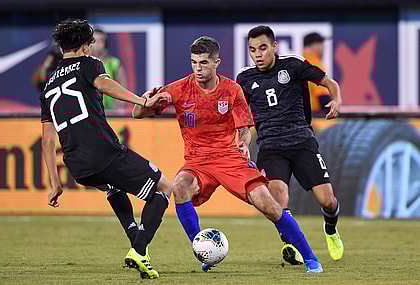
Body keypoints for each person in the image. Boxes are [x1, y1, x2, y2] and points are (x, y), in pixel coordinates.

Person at [133, 36, 323, 273]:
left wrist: (243, 144)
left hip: (230, 159)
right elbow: (137, 114)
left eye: (203, 63)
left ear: (216, 63)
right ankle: (202, 251)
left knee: (270, 206)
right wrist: (144, 101)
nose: (198, 69)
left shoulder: (232, 90)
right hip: (198, 162)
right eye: (193, 63)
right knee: (179, 187)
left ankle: (310, 257)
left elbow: (244, 129)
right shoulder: (179, 89)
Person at [40, 18, 172, 279]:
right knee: (164, 187)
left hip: (77, 164)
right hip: (103, 152)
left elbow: (47, 140)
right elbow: (105, 85)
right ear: (84, 45)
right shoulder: (89, 64)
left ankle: (135, 238)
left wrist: (55, 183)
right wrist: (142, 100)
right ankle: (139, 249)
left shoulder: (47, 87)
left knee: (113, 186)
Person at [236, 25, 344, 266]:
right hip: (270, 145)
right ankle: (290, 243)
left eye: (263, 48)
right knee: (277, 197)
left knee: (327, 200)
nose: (258, 55)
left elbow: (329, 82)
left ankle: (330, 229)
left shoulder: (293, 64)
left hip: (302, 141)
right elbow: (243, 119)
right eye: (252, 50)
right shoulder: (244, 78)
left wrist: (337, 100)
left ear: (274, 46)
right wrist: (243, 141)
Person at [90, 28, 128, 111]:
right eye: (95, 41)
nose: (98, 44)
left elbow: (123, 86)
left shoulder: (114, 63)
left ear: (106, 44)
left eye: (101, 41)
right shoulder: (84, 64)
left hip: (110, 111)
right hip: (91, 110)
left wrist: (119, 106)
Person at [303, 32, 332, 112]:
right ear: (315, 46)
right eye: (321, 44)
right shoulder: (314, 63)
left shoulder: (299, 61)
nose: (323, 47)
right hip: (314, 116)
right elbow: (323, 97)